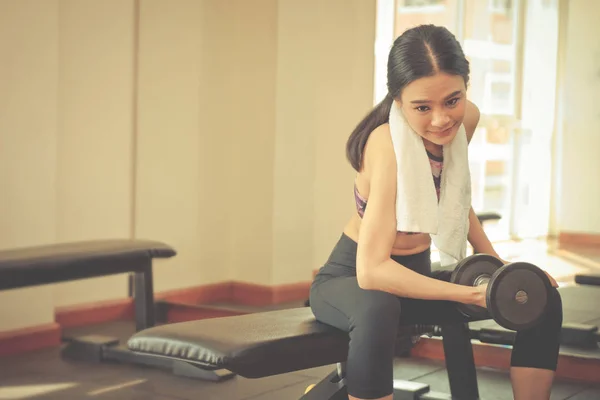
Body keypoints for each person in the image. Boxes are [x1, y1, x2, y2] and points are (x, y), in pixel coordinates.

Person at [308, 24, 563, 400]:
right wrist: (467, 296)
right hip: (352, 282)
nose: (441, 119)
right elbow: (372, 270)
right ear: (398, 100)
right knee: (378, 308)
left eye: (452, 100)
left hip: (416, 279)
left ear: (465, 87)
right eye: (422, 107)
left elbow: (454, 197)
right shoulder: (385, 145)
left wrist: (501, 268)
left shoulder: (467, 120)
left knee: (539, 294)